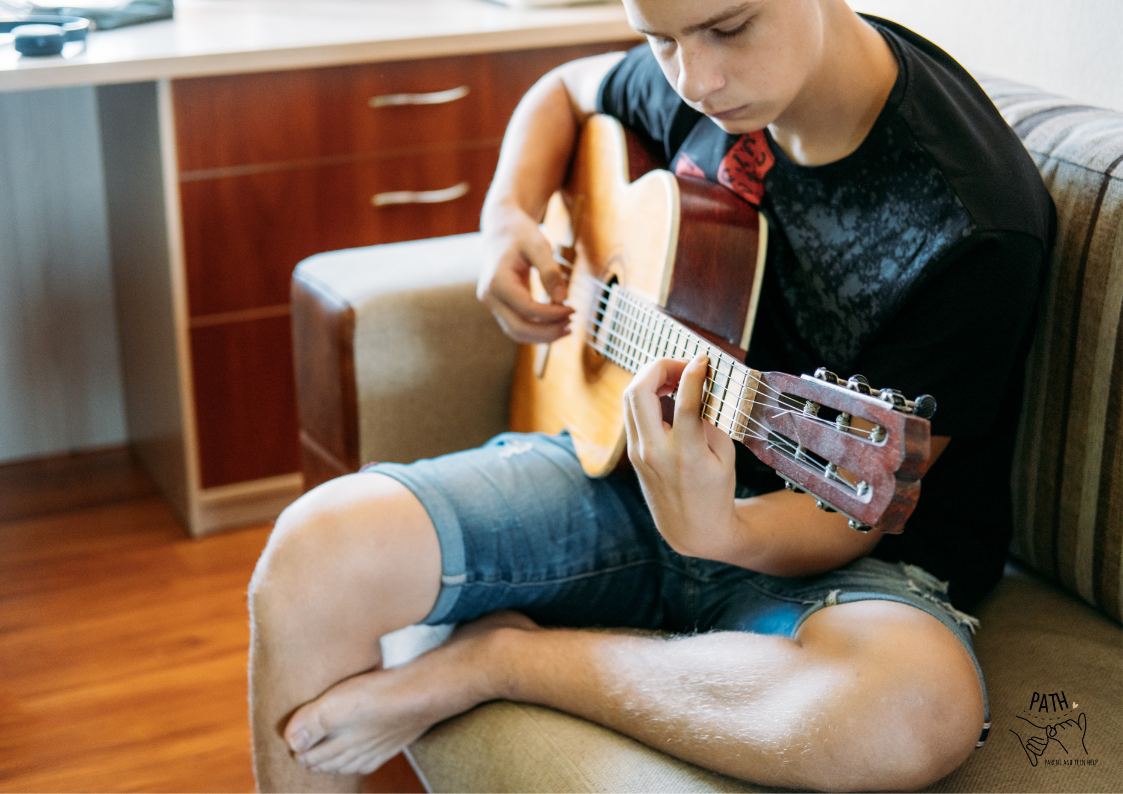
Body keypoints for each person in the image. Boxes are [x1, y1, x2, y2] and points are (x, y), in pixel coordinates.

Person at [248, 0, 1054, 790]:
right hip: (625, 479)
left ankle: (503, 660)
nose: (694, 81)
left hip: (846, 562)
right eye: (658, 39)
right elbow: (563, 90)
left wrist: (721, 529)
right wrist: (505, 213)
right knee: (312, 551)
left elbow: (844, 517)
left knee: (910, 711)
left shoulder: (970, 221)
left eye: (729, 27)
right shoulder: (702, 76)